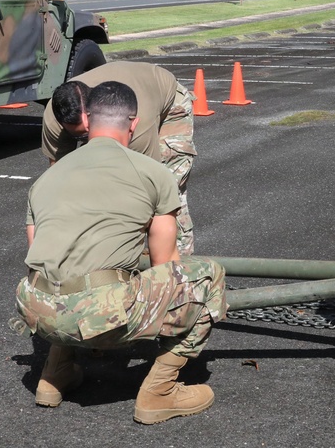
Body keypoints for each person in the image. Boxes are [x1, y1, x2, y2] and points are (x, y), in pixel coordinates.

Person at [17, 81, 227, 424]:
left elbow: (40, 255)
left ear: (88, 119)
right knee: (208, 277)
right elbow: (165, 266)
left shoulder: (45, 180)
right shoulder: (153, 173)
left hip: (36, 309)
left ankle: (54, 375)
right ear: (134, 123)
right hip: (95, 313)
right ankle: (159, 393)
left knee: (68, 272)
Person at [42, 61, 197, 255]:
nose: (88, 138)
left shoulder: (135, 123)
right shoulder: (54, 117)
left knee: (169, 190)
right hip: (120, 103)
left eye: (89, 131)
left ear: (95, 112)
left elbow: (151, 186)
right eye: (80, 136)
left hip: (168, 104)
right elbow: (61, 179)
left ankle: (178, 260)